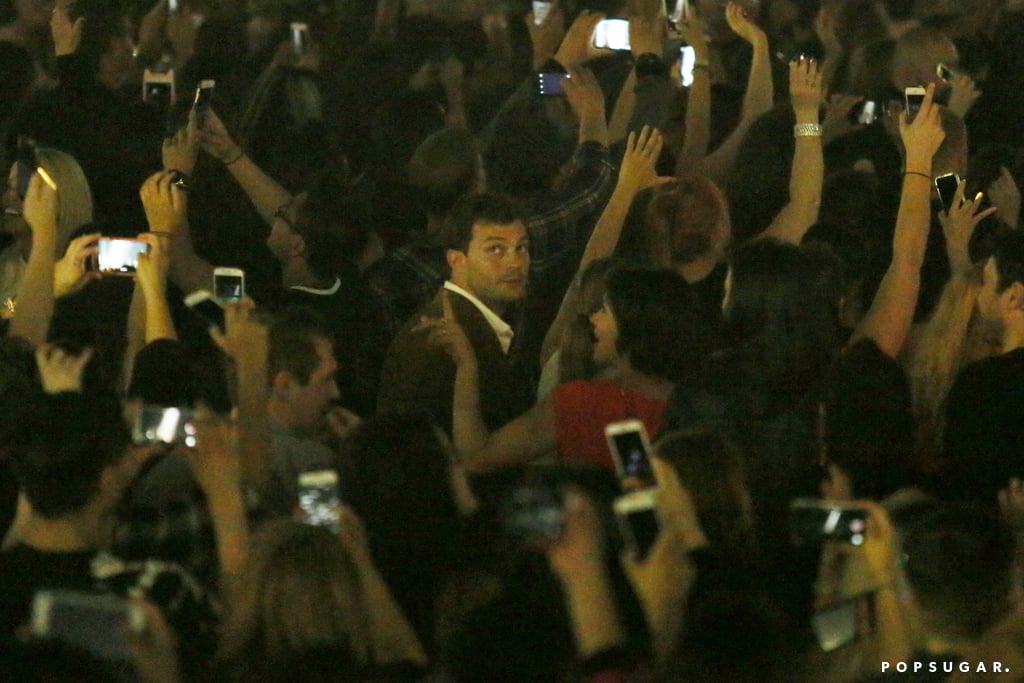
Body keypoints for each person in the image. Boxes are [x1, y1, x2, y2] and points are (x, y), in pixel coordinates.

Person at [426, 266, 710, 472]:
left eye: (605, 311)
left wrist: (467, 367)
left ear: (633, 327)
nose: (593, 320)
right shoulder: (703, 405)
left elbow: (477, 456)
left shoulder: (582, 403)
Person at [377, 192, 535, 436]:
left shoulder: (462, 317)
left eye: (521, 247)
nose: (515, 262)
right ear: (456, 260)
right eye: (496, 249)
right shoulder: (443, 340)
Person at [941, 229, 1024, 502]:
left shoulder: (983, 385)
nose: (980, 296)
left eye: (987, 283)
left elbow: (962, 483)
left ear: (1014, 296)